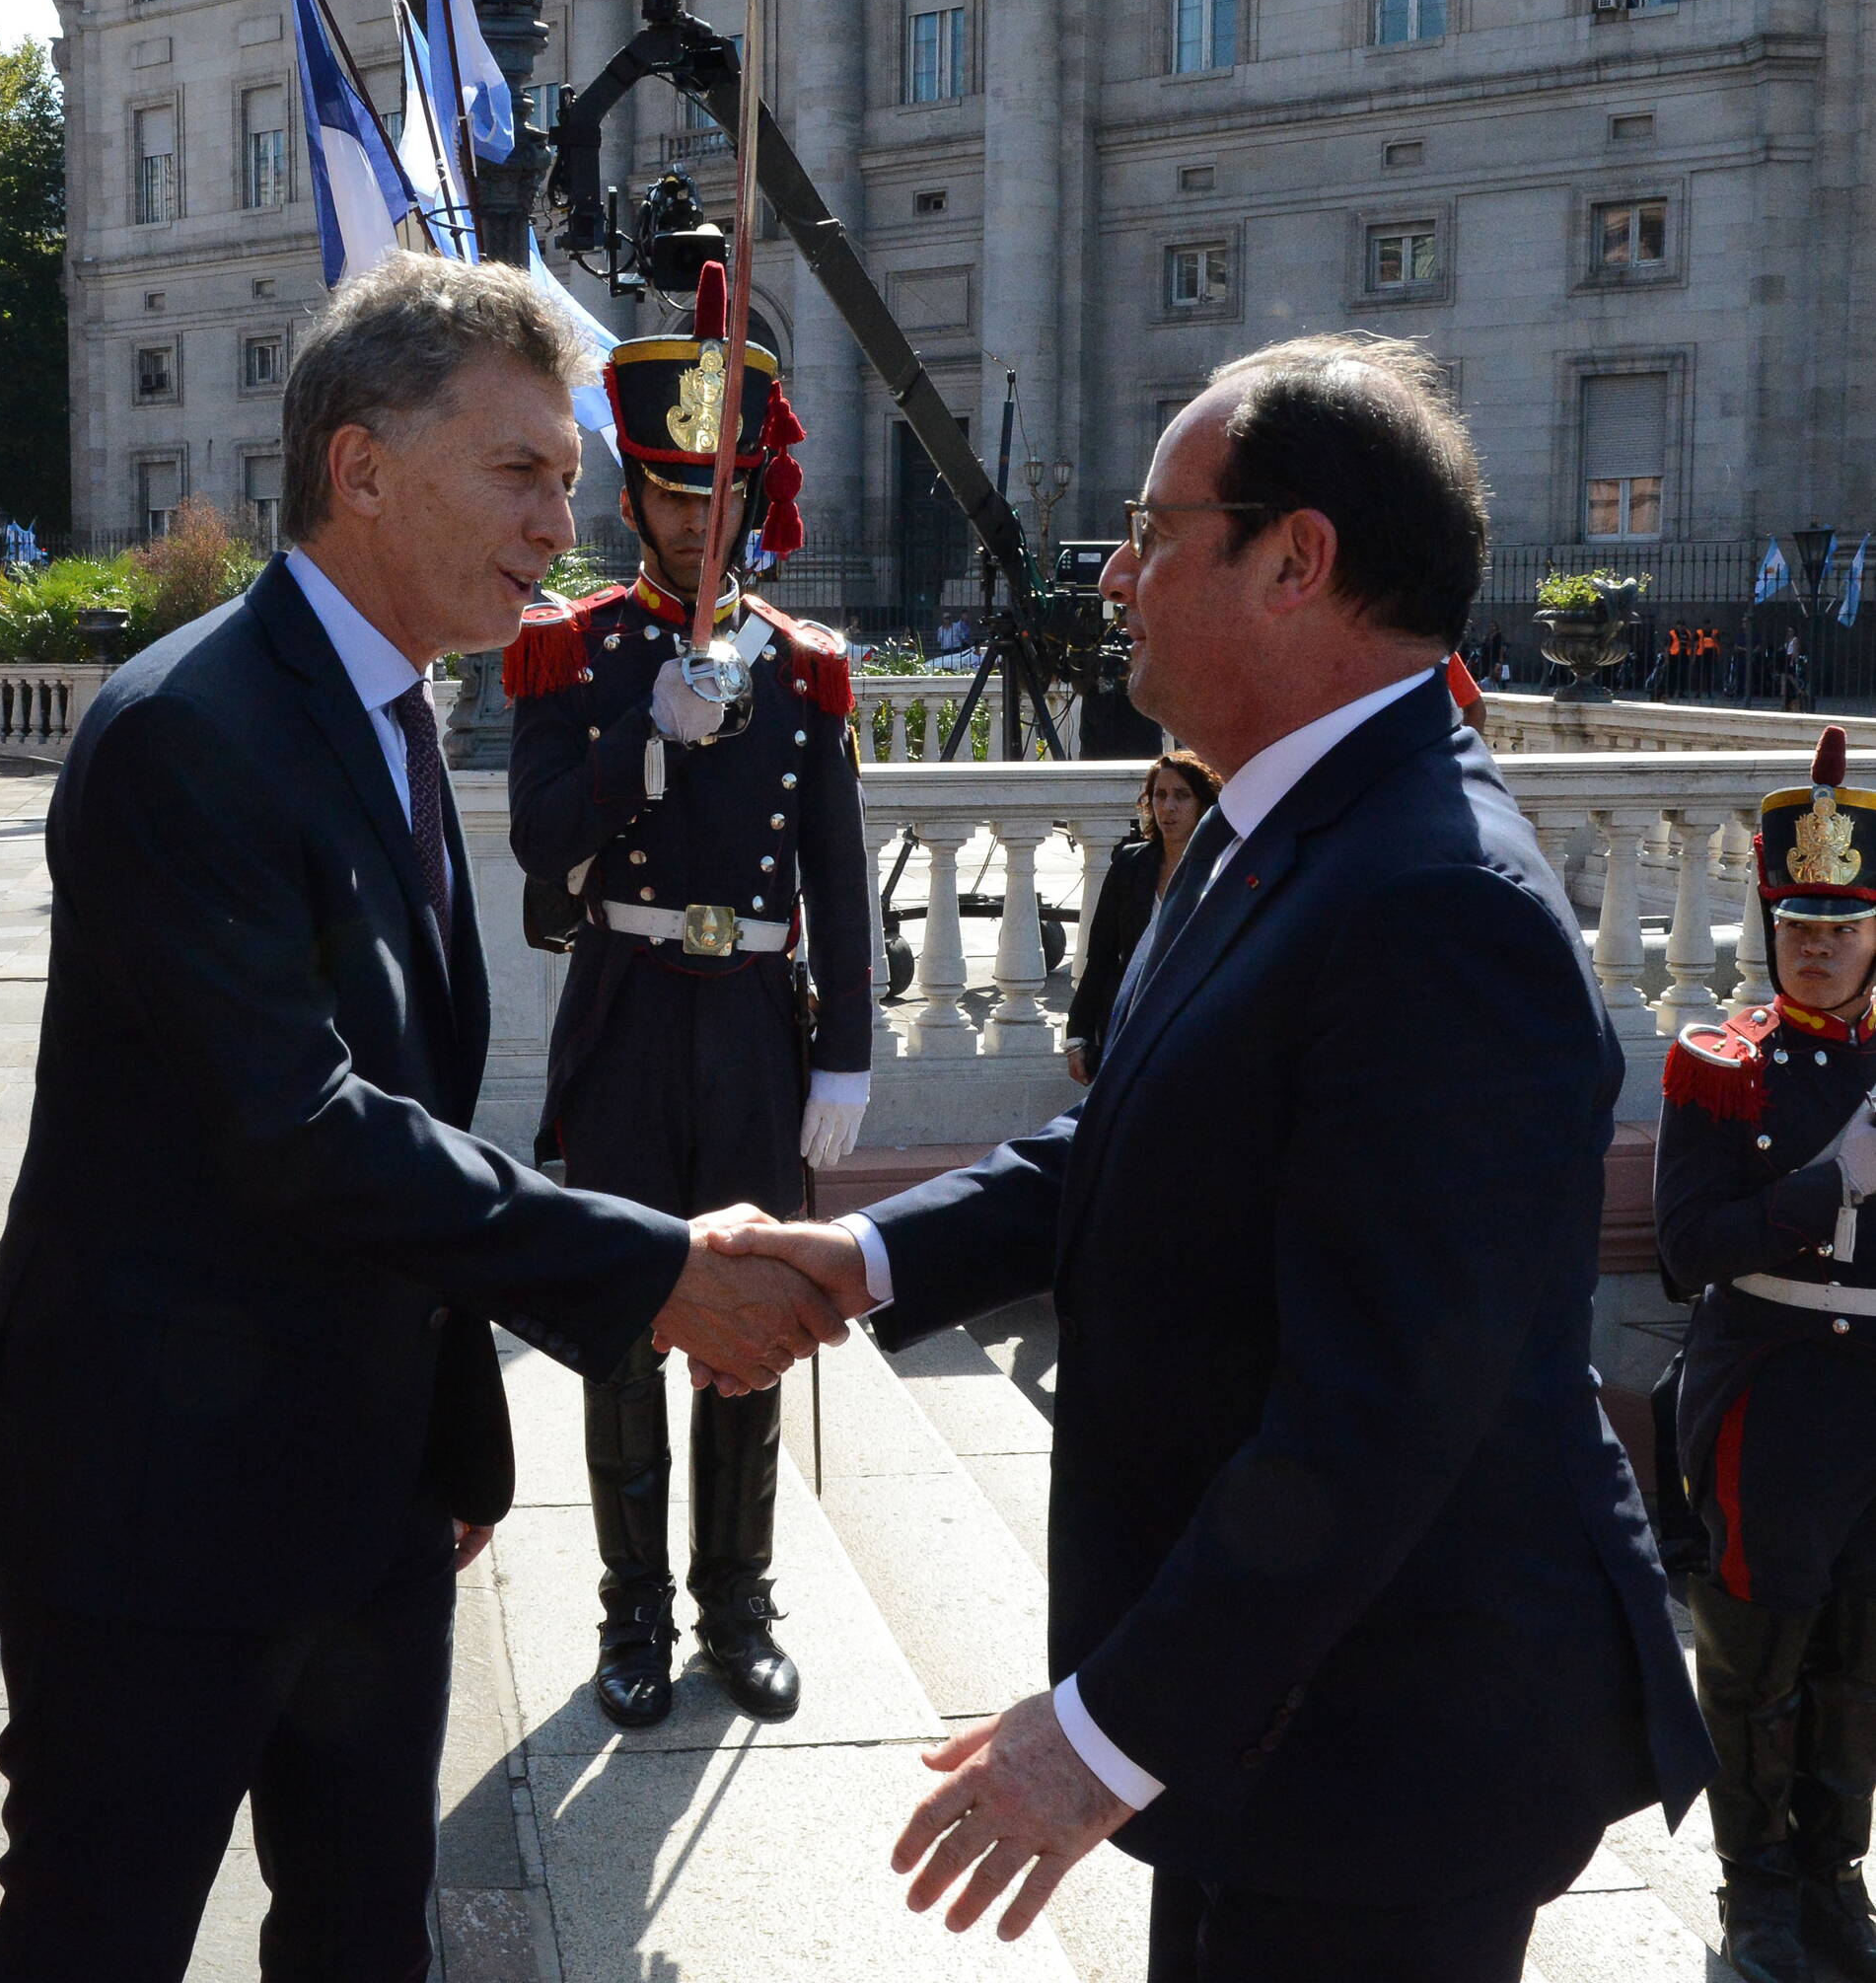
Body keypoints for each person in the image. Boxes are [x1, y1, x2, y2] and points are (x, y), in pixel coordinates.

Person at [704, 332, 1715, 1982]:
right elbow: (1139, 1126)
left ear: (1295, 562)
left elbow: (1382, 1405)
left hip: (1390, 1753)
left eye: (1157, 528)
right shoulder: (1283, 818)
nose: (1114, 570)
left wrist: (1101, 1734)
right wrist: (874, 1257)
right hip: (1283, 1729)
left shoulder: (1440, 904)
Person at [0, 253, 843, 1981]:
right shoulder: (185, 732)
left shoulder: (393, 710)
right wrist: (657, 1264)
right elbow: (302, 1126)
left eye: (569, 483)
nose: (561, 520)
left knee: (371, 1932)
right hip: (157, 1503)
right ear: (361, 468)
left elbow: (416, 1103)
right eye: (521, 471)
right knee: (99, 1932)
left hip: (365, 1502)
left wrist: (446, 1442)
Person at [506, 267, 873, 1730]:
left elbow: (836, 878)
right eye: (669, 497)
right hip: (630, 1006)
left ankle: (737, 1600)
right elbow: (544, 842)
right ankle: (634, 1610)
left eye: (716, 497)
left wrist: (844, 1057)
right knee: (620, 1324)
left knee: (756, 1319)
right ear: (637, 503)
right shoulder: (575, 650)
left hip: (750, 1033)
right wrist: (650, 748)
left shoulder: (803, 670)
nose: (693, 524)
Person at [1655, 727, 1876, 1983]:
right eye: (1797, 922)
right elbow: (1690, 1250)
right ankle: (1759, 1891)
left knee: (1857, 1656)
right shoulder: (1718, 1063)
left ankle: (1833, 1872)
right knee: (1756, 1661)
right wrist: (1821, 1185)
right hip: (1771, 1396)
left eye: (1840, 926)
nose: (1816, 942)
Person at [1064, 751, 1221, 1085]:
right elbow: (1102, 956)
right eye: (1160, 796)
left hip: (1193, 1027)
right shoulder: (1130, 864)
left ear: (1203, 803)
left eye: (1182, 796)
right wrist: (1077, 1034)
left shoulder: (1222, 867)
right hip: (1128, 1024)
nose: (1169, 807)